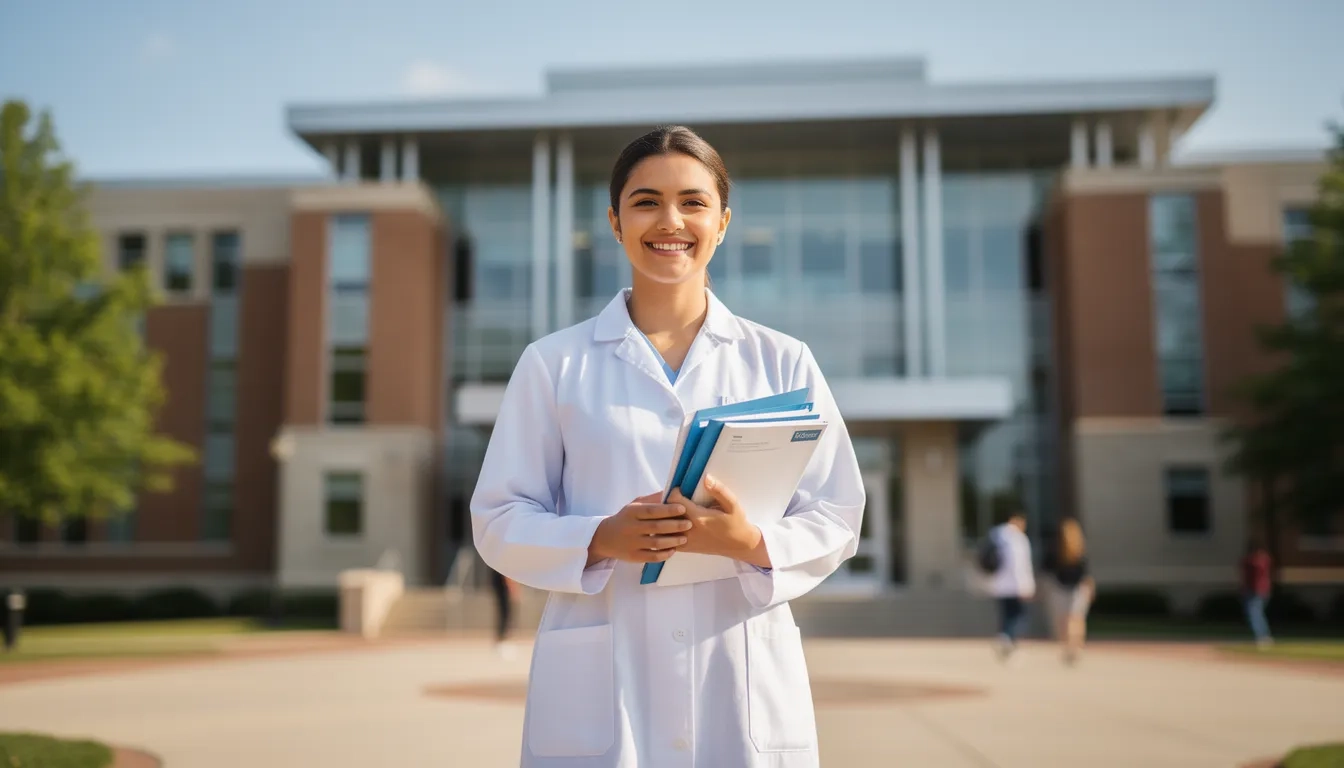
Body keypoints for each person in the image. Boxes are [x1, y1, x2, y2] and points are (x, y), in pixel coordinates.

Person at [470, 125, 865, 767]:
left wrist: (750, 543)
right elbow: (497, 518)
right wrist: (600, 538)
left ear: (724, 222)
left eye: (694, 201)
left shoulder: (784, 361)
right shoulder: (553, 364)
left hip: (739, 684)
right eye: (646, 200)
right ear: (615, 222)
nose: (670, 220)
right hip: (603, 693)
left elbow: (838, 512)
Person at [986, 507, 1035, 660]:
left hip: (999, 584)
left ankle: (1005, 640)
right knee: (1015, 616)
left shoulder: (996, 535)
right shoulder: (1016, 538)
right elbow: (1018, 564)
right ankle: (1008, 641)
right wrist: (1025, 585)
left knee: (1006, 615)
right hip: (1014, 586)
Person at [1042, 517, 1093, 665]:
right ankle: (1071, 647)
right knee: (1068, 620)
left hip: (1074, 589)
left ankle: (1073, 647)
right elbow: (1047, 570)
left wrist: (1088, 587)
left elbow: (1085, 573)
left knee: (1073, 619)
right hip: (1061, 588)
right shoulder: (1055, 550)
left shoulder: (1079, 550)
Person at [1240, 539, 1273, 648]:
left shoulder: (1255, 561)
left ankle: (1262, 636)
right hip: (1261, 591)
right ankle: (1263, 635)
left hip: (1256, 591)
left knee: (1255, 614)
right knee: (1257, 614)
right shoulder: (1263, 560)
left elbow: (1250, 566)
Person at [488, 566, 519, 659]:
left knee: (503, 611)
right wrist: (512, 586)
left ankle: (501, 640)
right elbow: (507, 570)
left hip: (499, 582)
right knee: (506, 612)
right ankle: (503, 640)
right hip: (502, 585)